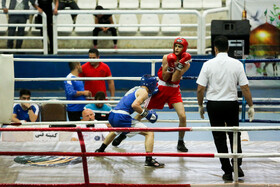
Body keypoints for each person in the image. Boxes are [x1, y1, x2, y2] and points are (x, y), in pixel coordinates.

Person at [112, 37, 191, 152]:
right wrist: (171, 65)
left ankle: (180, 141)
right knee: (141, 114)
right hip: (161, 88)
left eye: (180, 47)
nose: (177, 48)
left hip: (174, 90)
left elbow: (174, 79)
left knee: (183, 116)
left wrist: (179, 65)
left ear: (184, 49)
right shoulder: (166, 57)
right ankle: (123, 134)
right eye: (176, 46)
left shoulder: (186, 63)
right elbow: (165, 77)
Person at [196, 35, 255, 181]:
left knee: (219, 137)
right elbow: (245, 87)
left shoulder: (208, 64)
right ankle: (237, 165)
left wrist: (200, 105)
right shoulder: (236, 64)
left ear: (215, 48)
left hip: (214, 104)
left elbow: (200, 89)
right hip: (231, 104)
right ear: (228, 48)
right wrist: (251, 105)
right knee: (234, 134)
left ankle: (227, 171)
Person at [95, 74, 164, 168]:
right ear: (151, 84)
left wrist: (144, 112)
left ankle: (100, 149)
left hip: (113, 114)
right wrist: (146, 114)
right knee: (149, 133)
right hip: (122, 116)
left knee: (116, 130)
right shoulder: (144, 92)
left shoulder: (135, 90)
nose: (156, 85)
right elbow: (135, 105)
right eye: (155, 83)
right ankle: (149, 160)